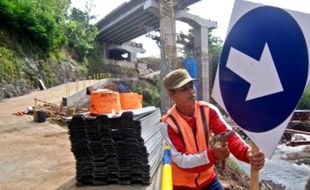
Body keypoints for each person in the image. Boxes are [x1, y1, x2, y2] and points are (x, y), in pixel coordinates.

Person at [160, 68, 265, 190]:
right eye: (184, 89)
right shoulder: (167, 124)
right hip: (182, 186)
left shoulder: (208, 110)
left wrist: (248, 153)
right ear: (171, 94)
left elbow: (229, 135)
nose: (192, 91)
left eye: (191, 86)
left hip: (208, 180)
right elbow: (181, 160)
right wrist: (212, 155)